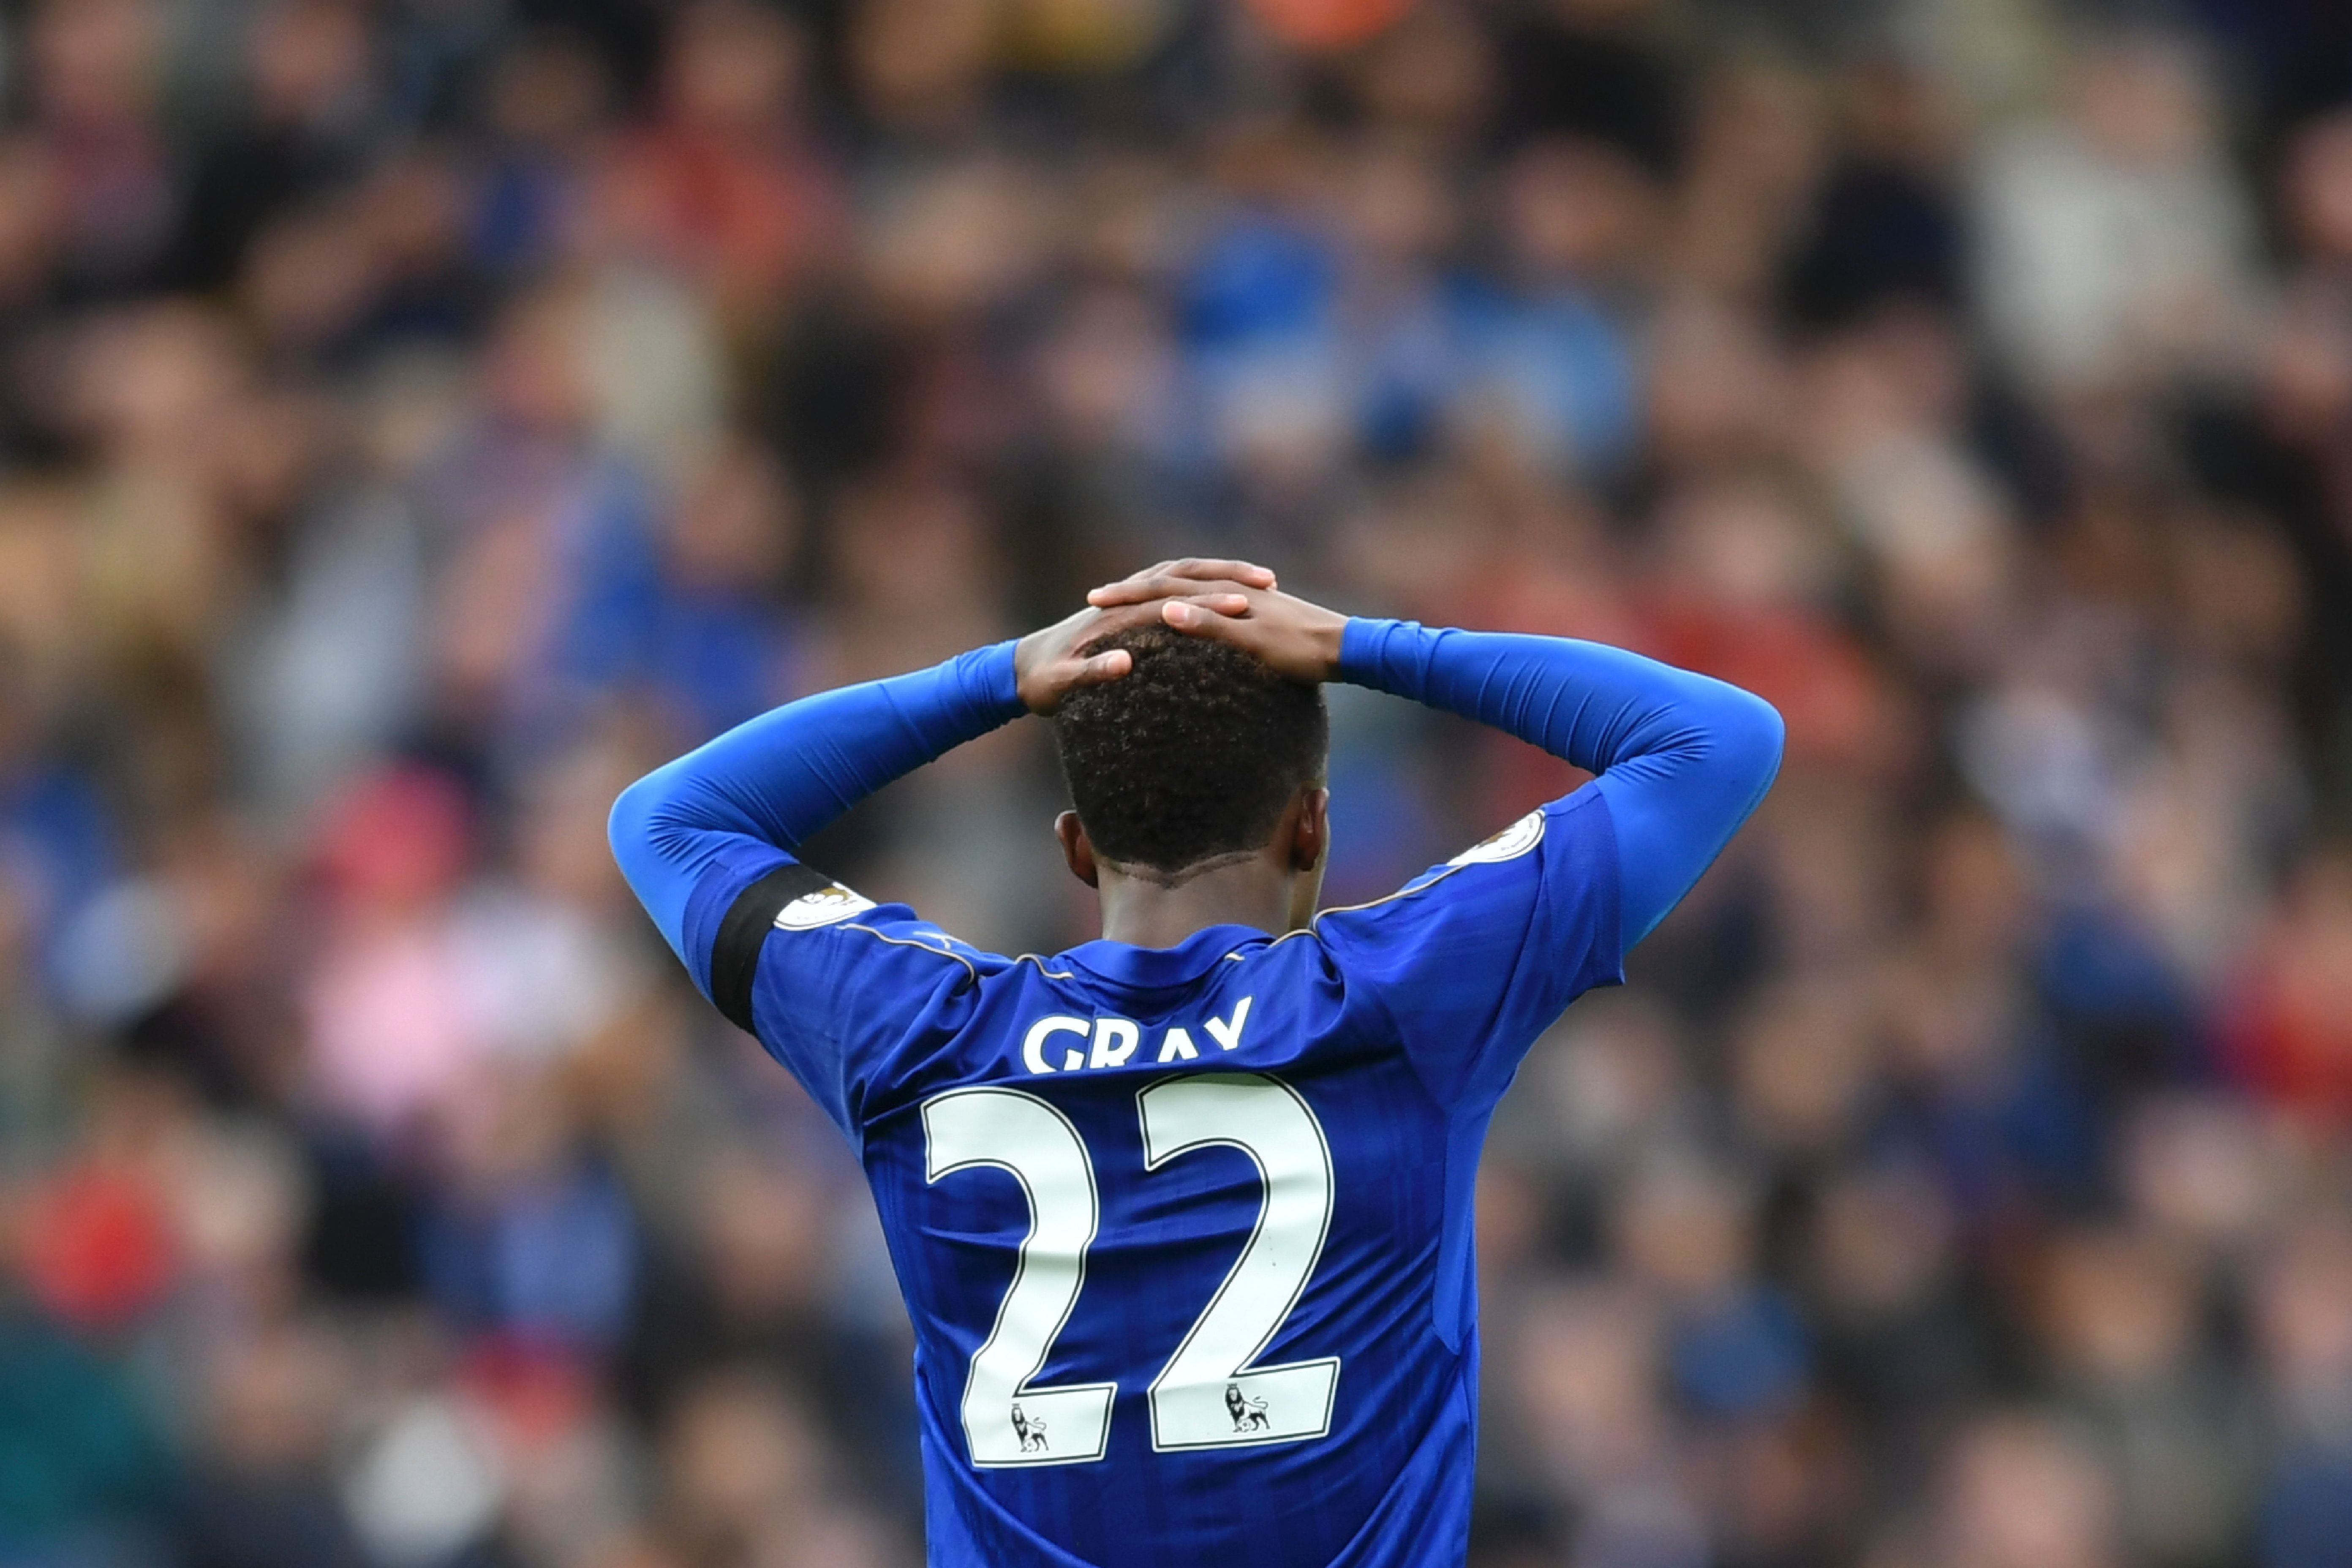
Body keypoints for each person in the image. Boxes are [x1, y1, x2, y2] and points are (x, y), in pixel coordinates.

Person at [607, 559, 1784, 1566]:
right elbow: (1718, 739)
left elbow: (668, 819)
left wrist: (1002, 679)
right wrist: (1361, 644)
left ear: (1076, 847)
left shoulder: (920, 1029)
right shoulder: (1401, 995)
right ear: (1312, 825)